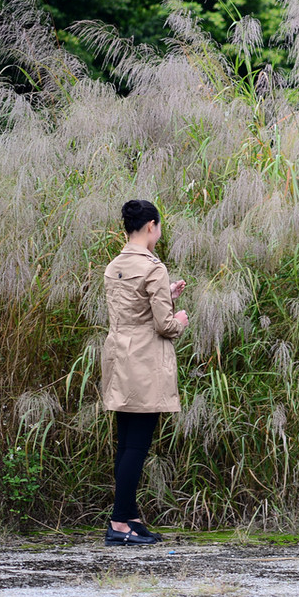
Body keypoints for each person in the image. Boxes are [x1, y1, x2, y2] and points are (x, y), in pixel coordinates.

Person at [102, 199, 189, 546]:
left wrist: (165, 295)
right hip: (145, 363)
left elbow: (132, 309)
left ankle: (129, 516)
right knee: (137, 445)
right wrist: (179, 319)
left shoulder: (114, 266)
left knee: (126, 443)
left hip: (119, 359)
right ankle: (119, 523)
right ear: (151, 225)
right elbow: (163, 324)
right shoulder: (154, 267)